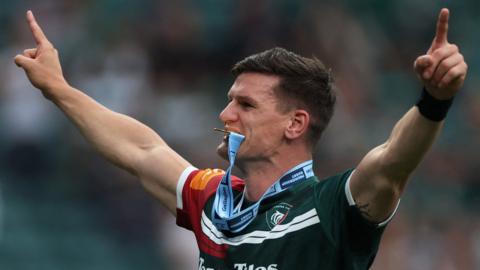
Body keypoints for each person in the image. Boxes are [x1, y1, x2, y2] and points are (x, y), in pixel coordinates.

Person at [14, 7, 467, 270]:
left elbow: (392, 162)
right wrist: (59, 89)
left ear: (295, 124)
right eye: (230, 100)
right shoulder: (214, 201)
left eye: (246, 106)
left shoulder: (330, 209)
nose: (225, 114)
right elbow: (141, 149)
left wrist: (433, 102)